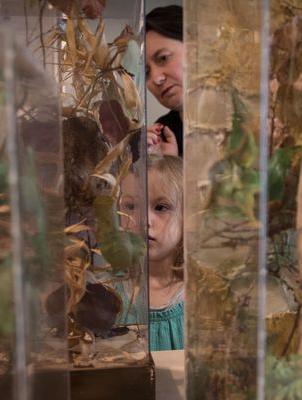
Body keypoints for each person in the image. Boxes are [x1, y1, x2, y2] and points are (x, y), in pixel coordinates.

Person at [117, 154, 184, 351]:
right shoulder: (107, 294)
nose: (143, 220)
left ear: (185, 216)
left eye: (161, 207)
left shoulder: (201, 296)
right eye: (131, 206)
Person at [145, 5, 184, 157]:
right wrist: (166, 166)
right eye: (146, 73)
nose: (156, 79)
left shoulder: (251, 117)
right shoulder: (163, 132)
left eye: (163, 58)